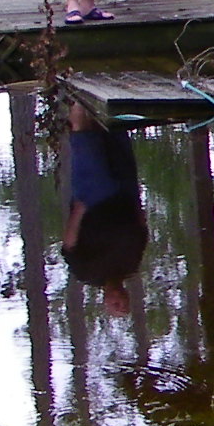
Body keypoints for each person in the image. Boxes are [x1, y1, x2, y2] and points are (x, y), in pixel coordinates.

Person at [60, 103, 147, 318]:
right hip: (125, 193)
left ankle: (77, 98)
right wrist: (137, 201)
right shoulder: (131, 265)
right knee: (116, 132)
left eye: (115, 305)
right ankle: (107, 97)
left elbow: (69, 245)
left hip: (94, 198)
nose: (120, 300)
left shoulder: (86, 273)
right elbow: (141, 231)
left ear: (105, 301)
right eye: (124, 303)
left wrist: (79, 211)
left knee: (84, 139)